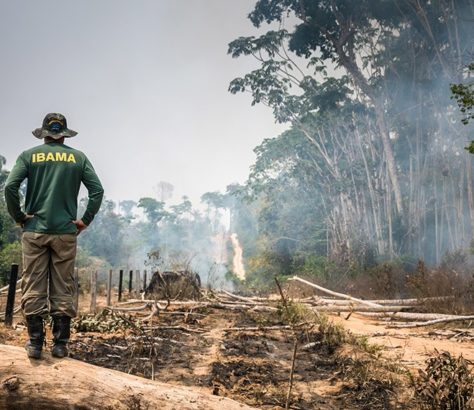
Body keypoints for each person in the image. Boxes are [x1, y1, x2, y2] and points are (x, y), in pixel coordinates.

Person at [4, 113, 104, 359]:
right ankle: (60, 344)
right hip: (65, 233)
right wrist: (84, 220)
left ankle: (35, 344)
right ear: (64, 134)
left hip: (35, 231)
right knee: (63, 284)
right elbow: (97, 190)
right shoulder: (78, 158)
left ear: (44, 133)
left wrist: (19, 216)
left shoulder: (29, 156)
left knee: (33, 283)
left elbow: (9, 187)